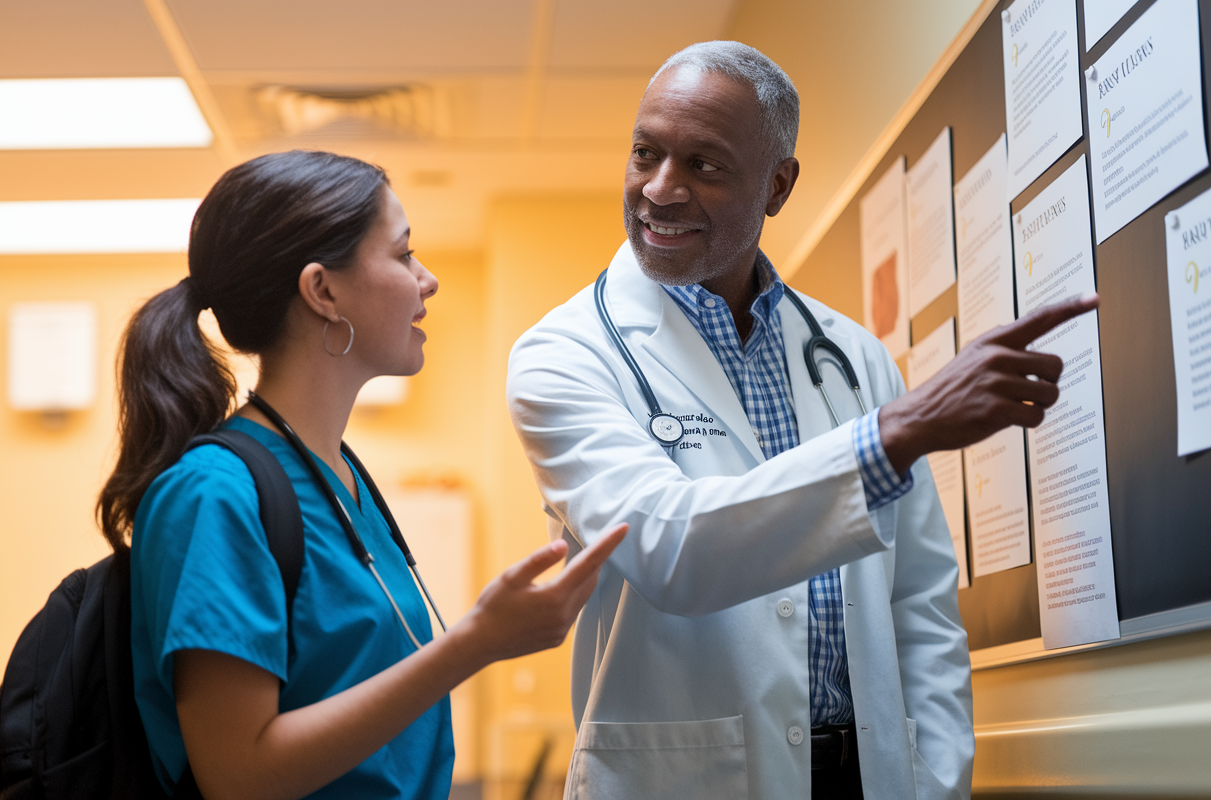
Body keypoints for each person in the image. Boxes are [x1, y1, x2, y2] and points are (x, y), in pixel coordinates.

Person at [506, 42, 1098, 800]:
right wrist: (894, 435)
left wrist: (937, 782)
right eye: (645, 153)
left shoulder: (851, 356)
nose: (660, 189)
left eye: (704, 165)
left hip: (870, 776)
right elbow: (670, 547)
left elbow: (918, 601)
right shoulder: (564, 354)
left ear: (777, 185)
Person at [98, 150, 626, 800]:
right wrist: (473, 645)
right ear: (323, 290)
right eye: (404, 256)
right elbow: (237, 775)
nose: (426, 280)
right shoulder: (214, 494)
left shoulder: (340, 475)